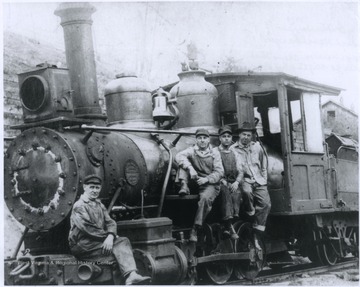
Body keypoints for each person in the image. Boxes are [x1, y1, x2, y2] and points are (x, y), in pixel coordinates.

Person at [68, 174, 151, 285]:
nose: (94, 190)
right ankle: (128, 277)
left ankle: (131, 276)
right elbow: (88, 228)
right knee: (118, 256)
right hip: (83, 245)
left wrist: (111, 236)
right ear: (84, 187)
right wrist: (106, 238)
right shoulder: (79, 206)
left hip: (96, 243)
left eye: (97, 188)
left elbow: (111, 222)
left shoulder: (99, 205)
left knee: (123, 241)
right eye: (91, 187)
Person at [176, 128, 224, 242]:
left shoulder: (215, 153)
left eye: (204, 138)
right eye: (199, 138)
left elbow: (219, 172)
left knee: (205, 199)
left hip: (211, 183)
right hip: (196, 180)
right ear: (196, 140)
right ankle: (184, 185)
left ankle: (195, 229)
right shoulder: (192, 150)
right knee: (183, 164)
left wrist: (206, 179)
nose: (202, 140)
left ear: (208, 140)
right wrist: (190, 168)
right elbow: (179, 156)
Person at [230, 121, 271, 250]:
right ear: (239, 135)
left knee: (266, 204)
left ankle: (257, 231)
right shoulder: (232, 149)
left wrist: (264, 179)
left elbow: (264, 165)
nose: (246, 137)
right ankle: (250, 211)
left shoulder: (257, 147)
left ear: (252, 136)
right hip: (245, 180)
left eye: (248, 135)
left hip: (259, 180)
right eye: (243, 134)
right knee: (247, 193)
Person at [213, 125, 242, 240]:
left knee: (237, 193)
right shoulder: (215, 151)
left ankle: (228, 224)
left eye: (228, 136)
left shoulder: (235, 153)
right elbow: (214, 169)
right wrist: (222, 180)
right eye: (224, 136)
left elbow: (241, 170)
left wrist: (237, 182)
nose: (226, 139)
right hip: (220, 181)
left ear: (231, 138)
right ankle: (229, 226)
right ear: (220, 138)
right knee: (225, 192)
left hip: (232, 181)